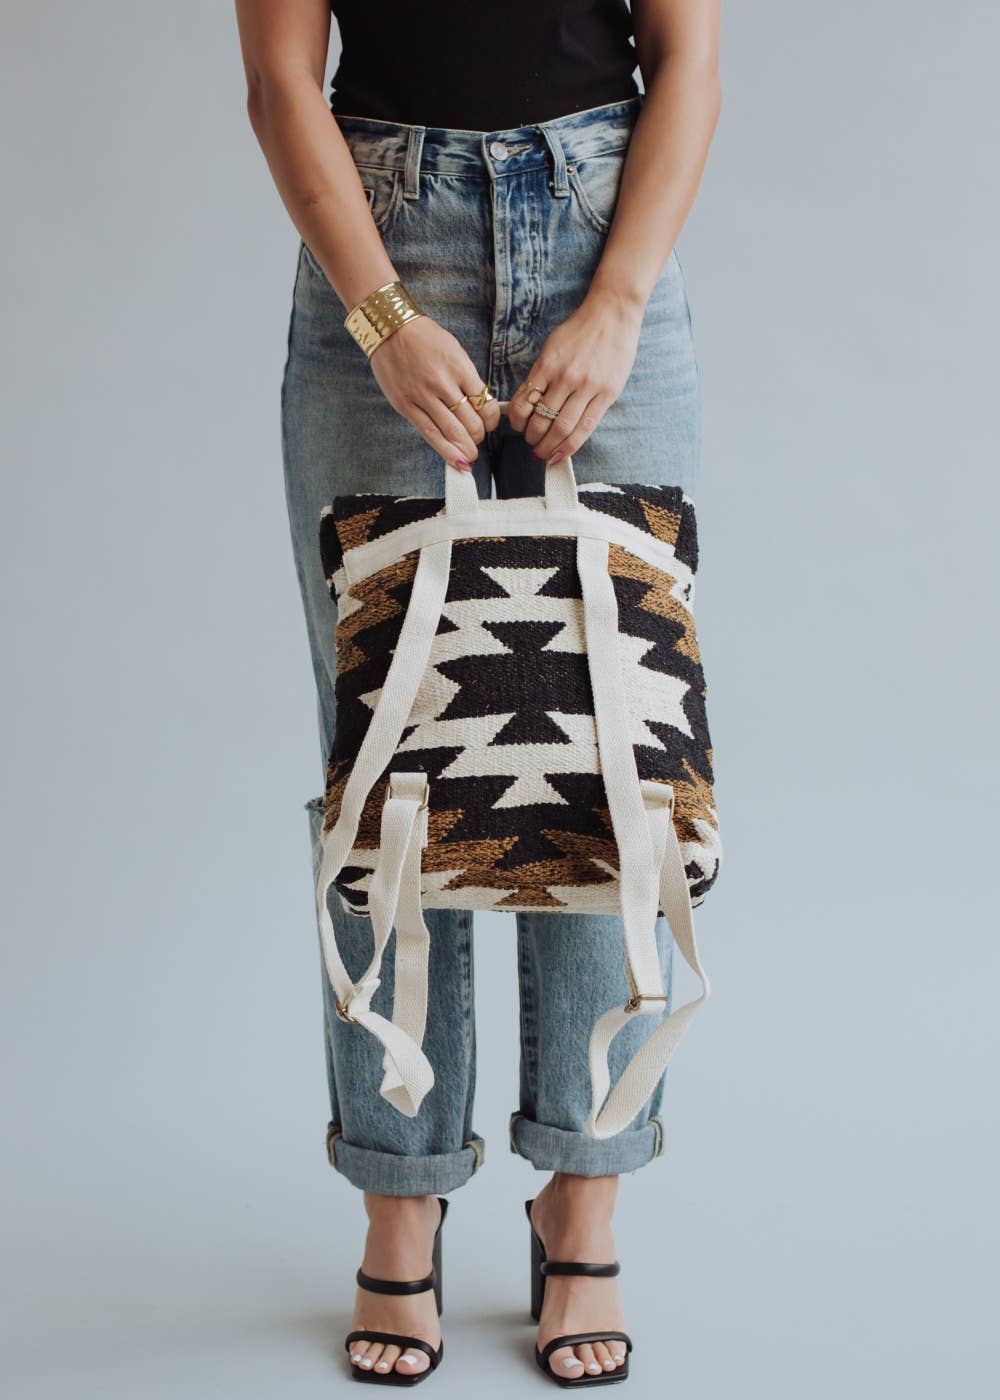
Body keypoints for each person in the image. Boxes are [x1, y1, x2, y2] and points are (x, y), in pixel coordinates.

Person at [235, 0, 722, 1385]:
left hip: (604, 234)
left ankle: (584, 1198)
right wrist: (383, 316)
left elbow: (689, 58)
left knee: (609, 748)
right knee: (389, 765)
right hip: (383, 239)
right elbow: (281, 77)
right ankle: (402, 1202)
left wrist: (618, 302)